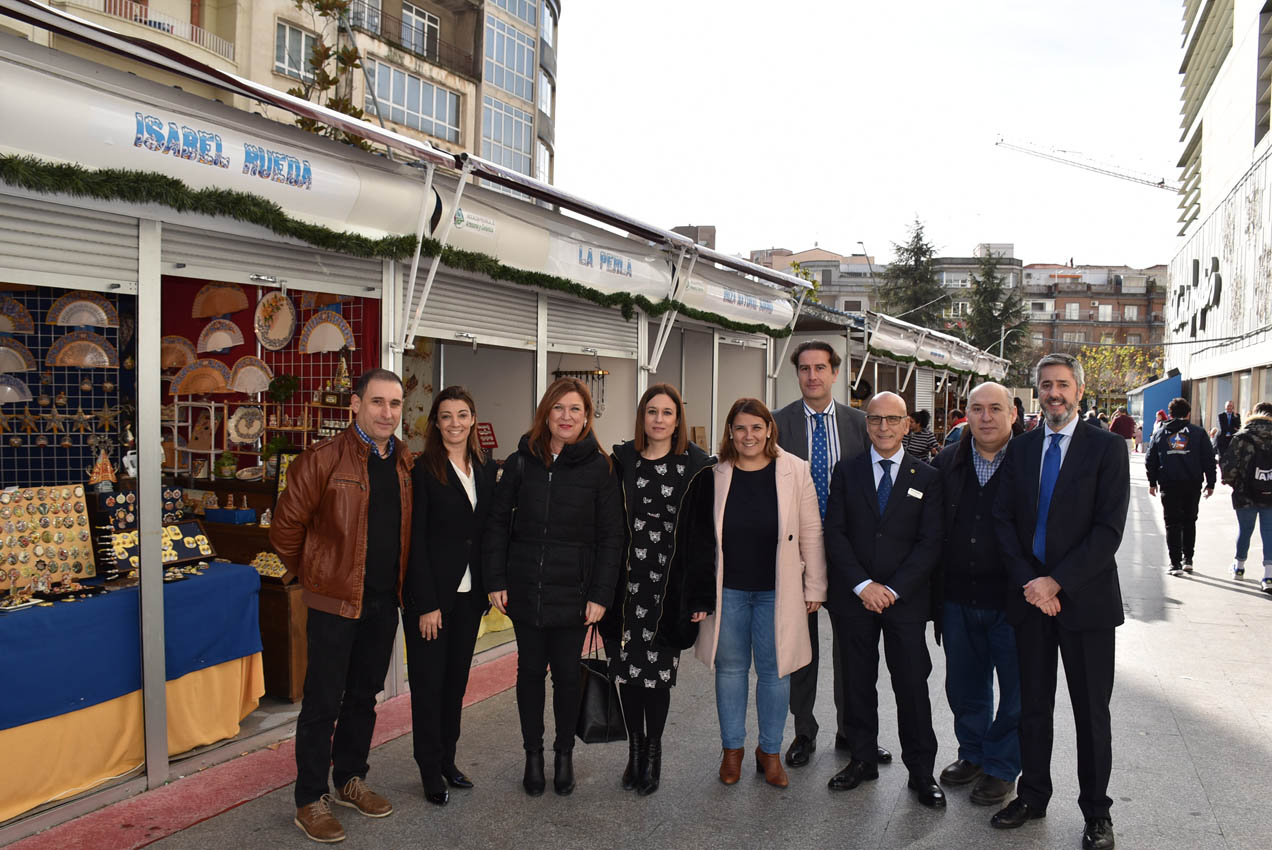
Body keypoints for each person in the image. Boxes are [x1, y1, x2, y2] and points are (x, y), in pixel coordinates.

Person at [991, 353, 1128, 850]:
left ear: (1080, 391)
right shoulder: (1021, 448)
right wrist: (1033, 583)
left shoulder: (1108, 449)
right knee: (1033, 707)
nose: (1054, 393)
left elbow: (1108, 531)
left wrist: (1057, 583)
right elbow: (1003, 521)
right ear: (1036, 391)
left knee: (1091, 712)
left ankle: (1097, 813)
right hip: (1030, 601)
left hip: (1086, 603)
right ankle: (1032, 796)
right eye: (1046, 385)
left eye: (1063, 385)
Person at [271, 369, 412, 843]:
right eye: (377, 402)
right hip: (334, 603)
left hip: (381, 602)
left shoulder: (404, 463)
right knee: (322, 702)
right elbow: (285, 527)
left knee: (363, 697)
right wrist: (313, 576)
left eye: (395, 404)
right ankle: (310, 798)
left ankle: (350, 777)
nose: (387, 413)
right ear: (355, 404)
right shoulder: (323, 460)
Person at [483, 377, 624, 797]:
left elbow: (611, 538)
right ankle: (533, 755)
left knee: (565, 675)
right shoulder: (521, 460)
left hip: (575, 593)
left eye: (575, 410)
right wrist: (496, 580)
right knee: (528, 673)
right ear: (547, 412)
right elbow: (495, 524)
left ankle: (564, 755)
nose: (566, 416)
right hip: (525, 588)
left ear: (586, 417)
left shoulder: (600, 468)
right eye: (559, 408)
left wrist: (601, 594)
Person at [694, 397, 827, 789]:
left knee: (775, 672)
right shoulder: (713, 472)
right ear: (730, 433)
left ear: (769, 429)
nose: (748, 435)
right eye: (740, 428)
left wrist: (815, 585)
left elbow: (811, 531)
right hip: (729, 590)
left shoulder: (794, 470)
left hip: (777, 591)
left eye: (756, 427)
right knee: (731, 671)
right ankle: (731, 751)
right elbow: (701, 537)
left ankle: (769, 752)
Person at [823, 391, 945, 808]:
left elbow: (930, 543)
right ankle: (861, 759)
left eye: (893, 420)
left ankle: (922, 772)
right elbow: (834, 533)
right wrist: (863, 585)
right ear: (866, 424)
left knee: (911, 685)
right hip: (854, 598)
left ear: (907, 424)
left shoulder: (926, 476)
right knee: (857, 683)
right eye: (875, 420)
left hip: (905, 601)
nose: (884, 428)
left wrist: (892, 589)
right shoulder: (847, 471)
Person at [599, 383, 716, 796]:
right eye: (652, 412)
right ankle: (633, 753)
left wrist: (701, 596)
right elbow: (607, 527)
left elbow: (704, 536)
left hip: (669, 587)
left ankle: (653, 755)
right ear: (642, 417)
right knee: (628, 674)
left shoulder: (696, 466)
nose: (659, 420)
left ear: (678, 419)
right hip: (625, 586)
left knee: (658, 676)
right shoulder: (622, 460)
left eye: (668, 413)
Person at [771, 340, 874, 769]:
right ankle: (804, 732)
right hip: (796, 557)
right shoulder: (777, 424)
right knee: (801, 648)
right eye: (805, 368)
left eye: (821, 368)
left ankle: (853, 732)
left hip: (849, 555)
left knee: (853, 650)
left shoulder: (862, 424)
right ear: (797, 374)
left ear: (836, 373)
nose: (812, 376)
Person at [403, 387, 496, 806]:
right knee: (428, 685)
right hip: (432, 601)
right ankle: (428, 770)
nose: (455, 423)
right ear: (435, 424)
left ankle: (448, 761)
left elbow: (487, 533)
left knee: (454, 685)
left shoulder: (484, 466)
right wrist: (425, 603)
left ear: (473, 419)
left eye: (462, 414)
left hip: (469, 597)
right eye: (446, 416)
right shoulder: (422, 471)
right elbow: (414, 541)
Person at [931, 382, 1021, 808]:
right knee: (965, 685)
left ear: (1013, 415)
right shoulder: (947, 461)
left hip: (1015, 602)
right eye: (977, 409)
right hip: (958, 597)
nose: (986, 417)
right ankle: (972, 753)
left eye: (995, 409)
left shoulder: (1030, 462)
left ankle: (1002, 766)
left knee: (1017, 690)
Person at [1145, 397, 1216, 577]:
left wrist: (1152, 481)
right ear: (1188, 414)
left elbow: (1150, 459)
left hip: (1169, 483)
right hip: (1192, 483)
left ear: (1170, 414)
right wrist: (1211, 482)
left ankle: (1175, 563)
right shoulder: (1198, 433)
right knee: (1190, 520)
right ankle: (1188, 559)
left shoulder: (1161, 433)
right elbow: (1208, 459)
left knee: (1172, 523)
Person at [1219, 401, 1272, 590]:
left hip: (1245, 493)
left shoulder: (1242, 436)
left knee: (1245, 530)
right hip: (1270, 494)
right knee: (1269, 532)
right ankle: (1268, 576)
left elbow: (1228, 465)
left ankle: (1239, 567)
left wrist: (1235, 484)